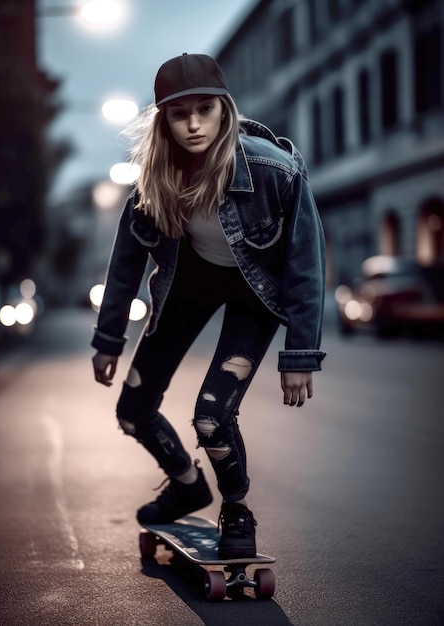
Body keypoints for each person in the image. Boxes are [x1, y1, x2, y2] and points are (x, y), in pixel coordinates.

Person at [92, 53, 326, 559]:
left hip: (254, 294)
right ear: (164, 120)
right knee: (133, 410)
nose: (194, 123)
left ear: (225, 110)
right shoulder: (154, 180)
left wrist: (300, 354)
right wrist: (108, 338)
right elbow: (125, 263)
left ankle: (236, 508)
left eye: (205, 109)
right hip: (188, 285)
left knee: (211, 417)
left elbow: (306, 262)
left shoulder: (273, 171)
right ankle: (186, 485)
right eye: (180, 114)